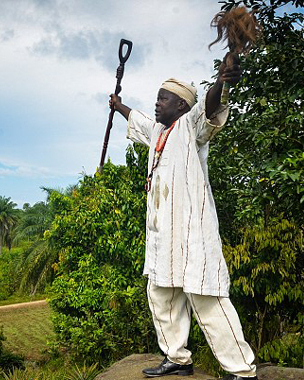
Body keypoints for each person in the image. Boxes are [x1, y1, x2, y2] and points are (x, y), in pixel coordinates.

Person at [108, 54, 258, 380]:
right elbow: (139, 118)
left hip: (192, 236)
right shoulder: (158, 135)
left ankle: (242, 371)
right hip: (163, 238)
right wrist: (119, 105)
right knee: (160, 295)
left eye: (164, 98)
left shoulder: (190, 128)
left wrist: (220, 82)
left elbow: (210, 107)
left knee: (207, 300)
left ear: (181, 106)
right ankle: (177, 358)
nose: (157, 103)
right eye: (158, 97)